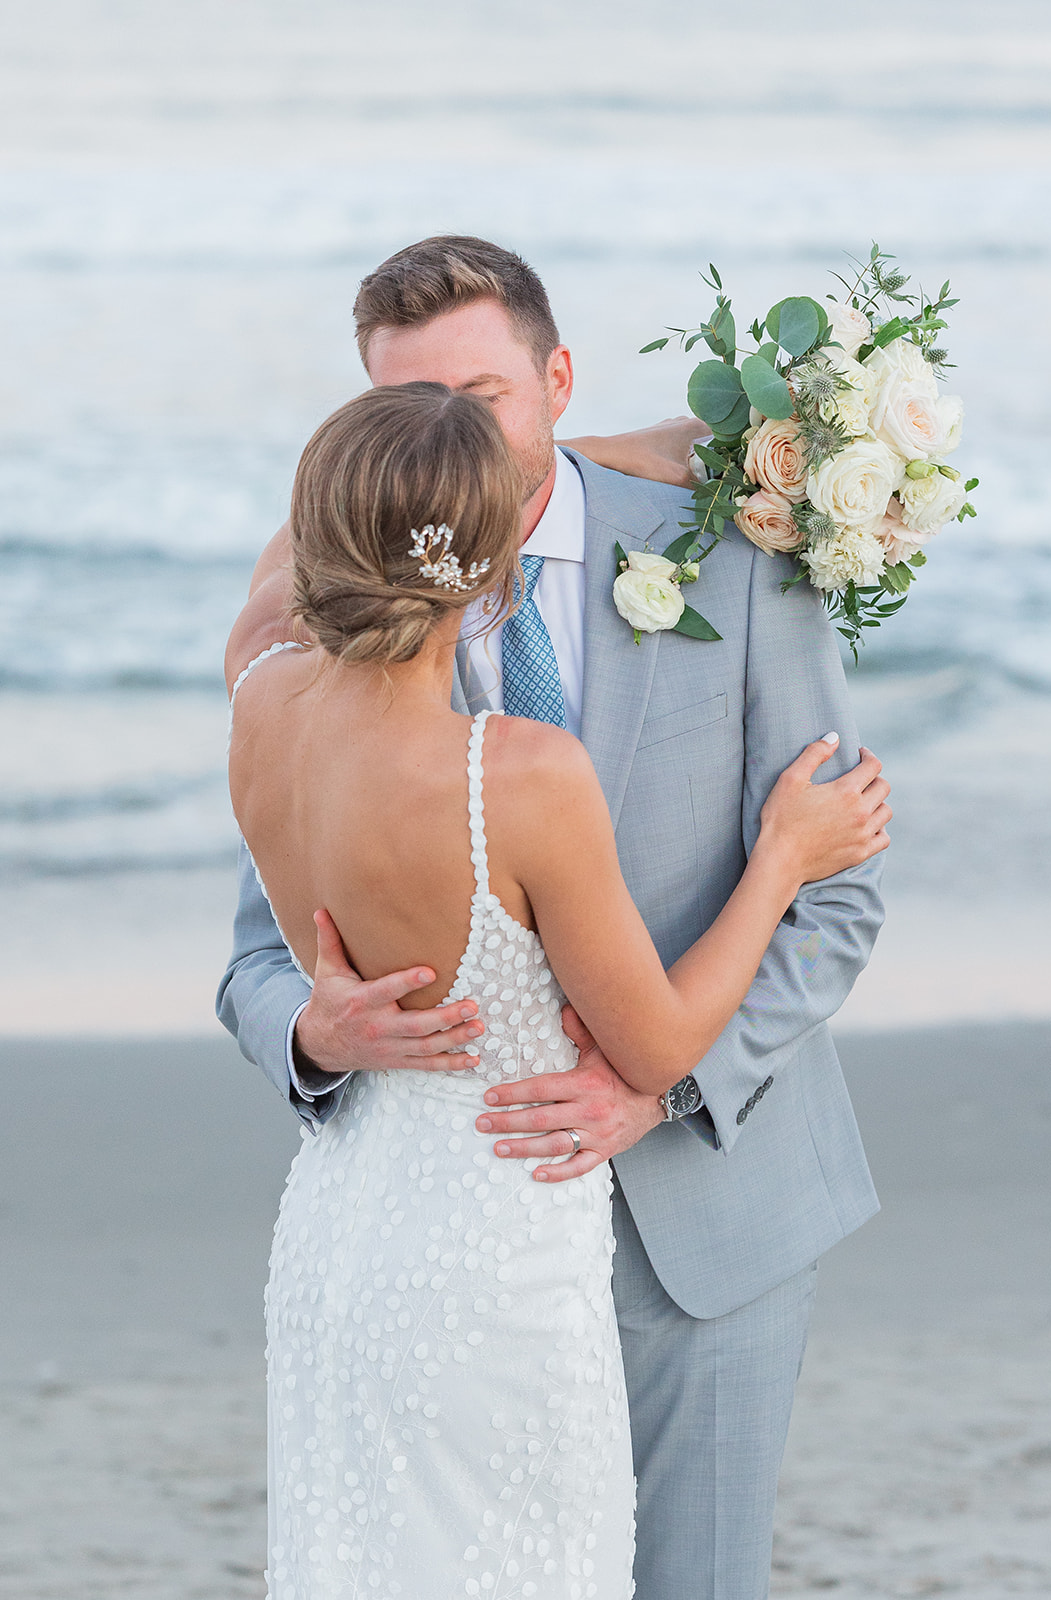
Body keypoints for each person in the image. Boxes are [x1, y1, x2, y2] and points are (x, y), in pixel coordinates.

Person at [218, 235, 887, 1599]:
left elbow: (845, 889)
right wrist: (319, 1028)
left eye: (484, 397)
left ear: (558, 378)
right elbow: (253, 961)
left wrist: (663, 1086)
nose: (454, 437)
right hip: (459, 1251)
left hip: (714, 1211)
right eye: (413, 411)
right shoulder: (326, 658)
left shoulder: (741, 559)